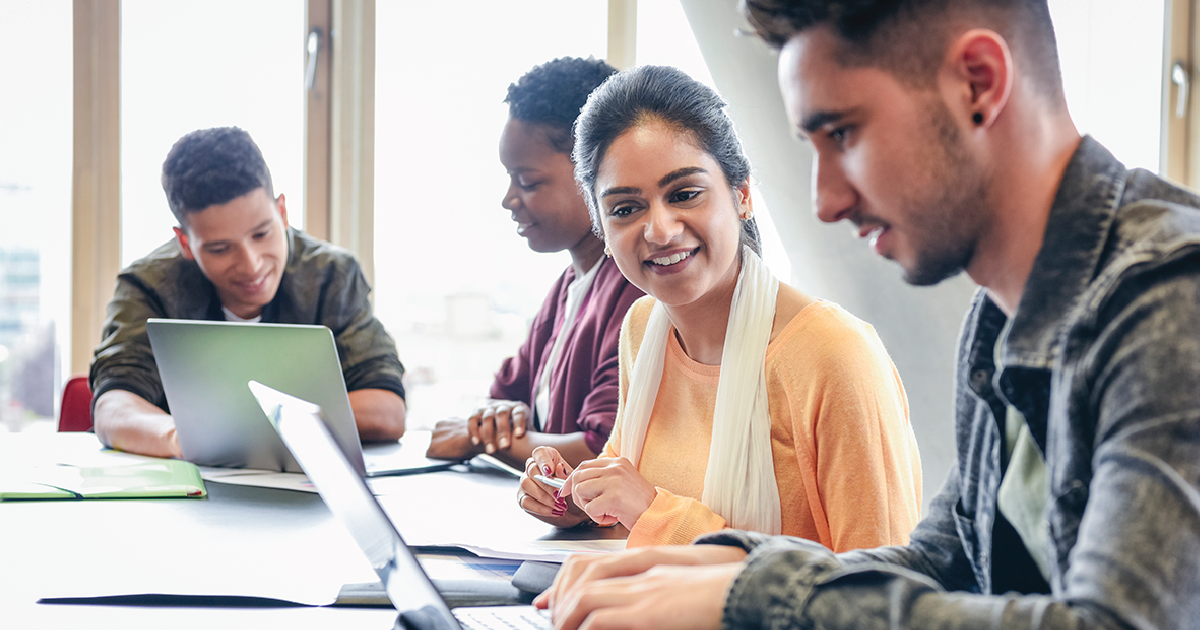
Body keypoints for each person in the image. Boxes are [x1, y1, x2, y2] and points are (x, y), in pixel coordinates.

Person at [534, 1, 1200, 629]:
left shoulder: (1171, 298)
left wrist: (753, 594)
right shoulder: (998, 319)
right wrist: (707, 570)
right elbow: (943, 564)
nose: (824, 200)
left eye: (844, 133)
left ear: (978, 82)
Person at [517, 64, 922, 550]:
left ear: (742, 195)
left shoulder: (833, 355)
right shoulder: (643, 329)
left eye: (685, 194)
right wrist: (571, 500)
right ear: (601, 228)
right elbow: (628, 506)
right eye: (626, 208)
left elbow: (879, 592)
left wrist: (654, 511)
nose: (660, 230)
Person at [91, 127, 407, 459]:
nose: (251, 265)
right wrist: (182, 439)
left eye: (261, 233)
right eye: (219, 248)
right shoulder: (148, 285)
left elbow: (387, 409)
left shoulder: (332, 276)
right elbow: (114, 406)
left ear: (282, 213)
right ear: (185, 243)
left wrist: (238, 428)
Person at [425, 57, 644, 470]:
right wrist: (492, 425)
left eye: (527, 181)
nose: (509, 198)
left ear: (594, 171)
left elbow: (602, 450)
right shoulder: (566, 288)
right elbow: (502, 399)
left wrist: (478, 438)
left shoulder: (636, 291)